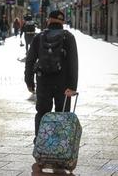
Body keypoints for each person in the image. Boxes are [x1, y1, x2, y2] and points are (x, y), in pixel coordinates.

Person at [24, 10, 78, 143]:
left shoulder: (39, 37)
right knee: (62, 114)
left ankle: (40, 141)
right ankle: (60, 144)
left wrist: (29, 81)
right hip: (63, 83)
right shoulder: (68, 37)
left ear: (48, 20)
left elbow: (30, 61)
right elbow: (73, 64)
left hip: (43, 81)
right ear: (63, 22)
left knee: (42, 112)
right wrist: (72, 87)